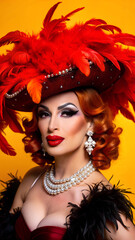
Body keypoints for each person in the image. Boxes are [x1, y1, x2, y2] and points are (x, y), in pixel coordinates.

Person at [0, 2, 135, 240]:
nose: (52, 124)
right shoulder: (32, 180)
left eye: (67, 112)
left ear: (92, 122)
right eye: (44, 113)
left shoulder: (102, 204)